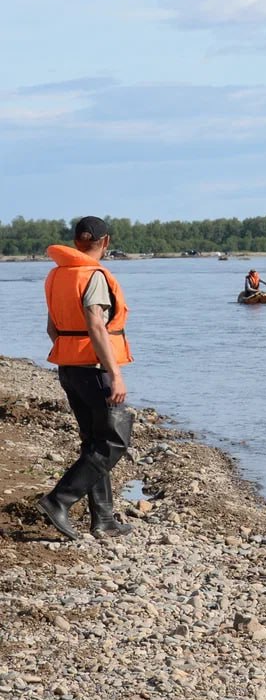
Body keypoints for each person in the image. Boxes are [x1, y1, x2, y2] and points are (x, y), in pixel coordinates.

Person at [37, 216, 135, 540]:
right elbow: (96, 326)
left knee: (93, 441)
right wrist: (114, 374)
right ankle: (58, 500)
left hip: (69, 368)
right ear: (105, 242)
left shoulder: (56, 276)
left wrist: (70, 354)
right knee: (113, 441)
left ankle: (104, 520)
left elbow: (52, 328)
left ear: (76, 241)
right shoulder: (93, 277)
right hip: (94, 370)